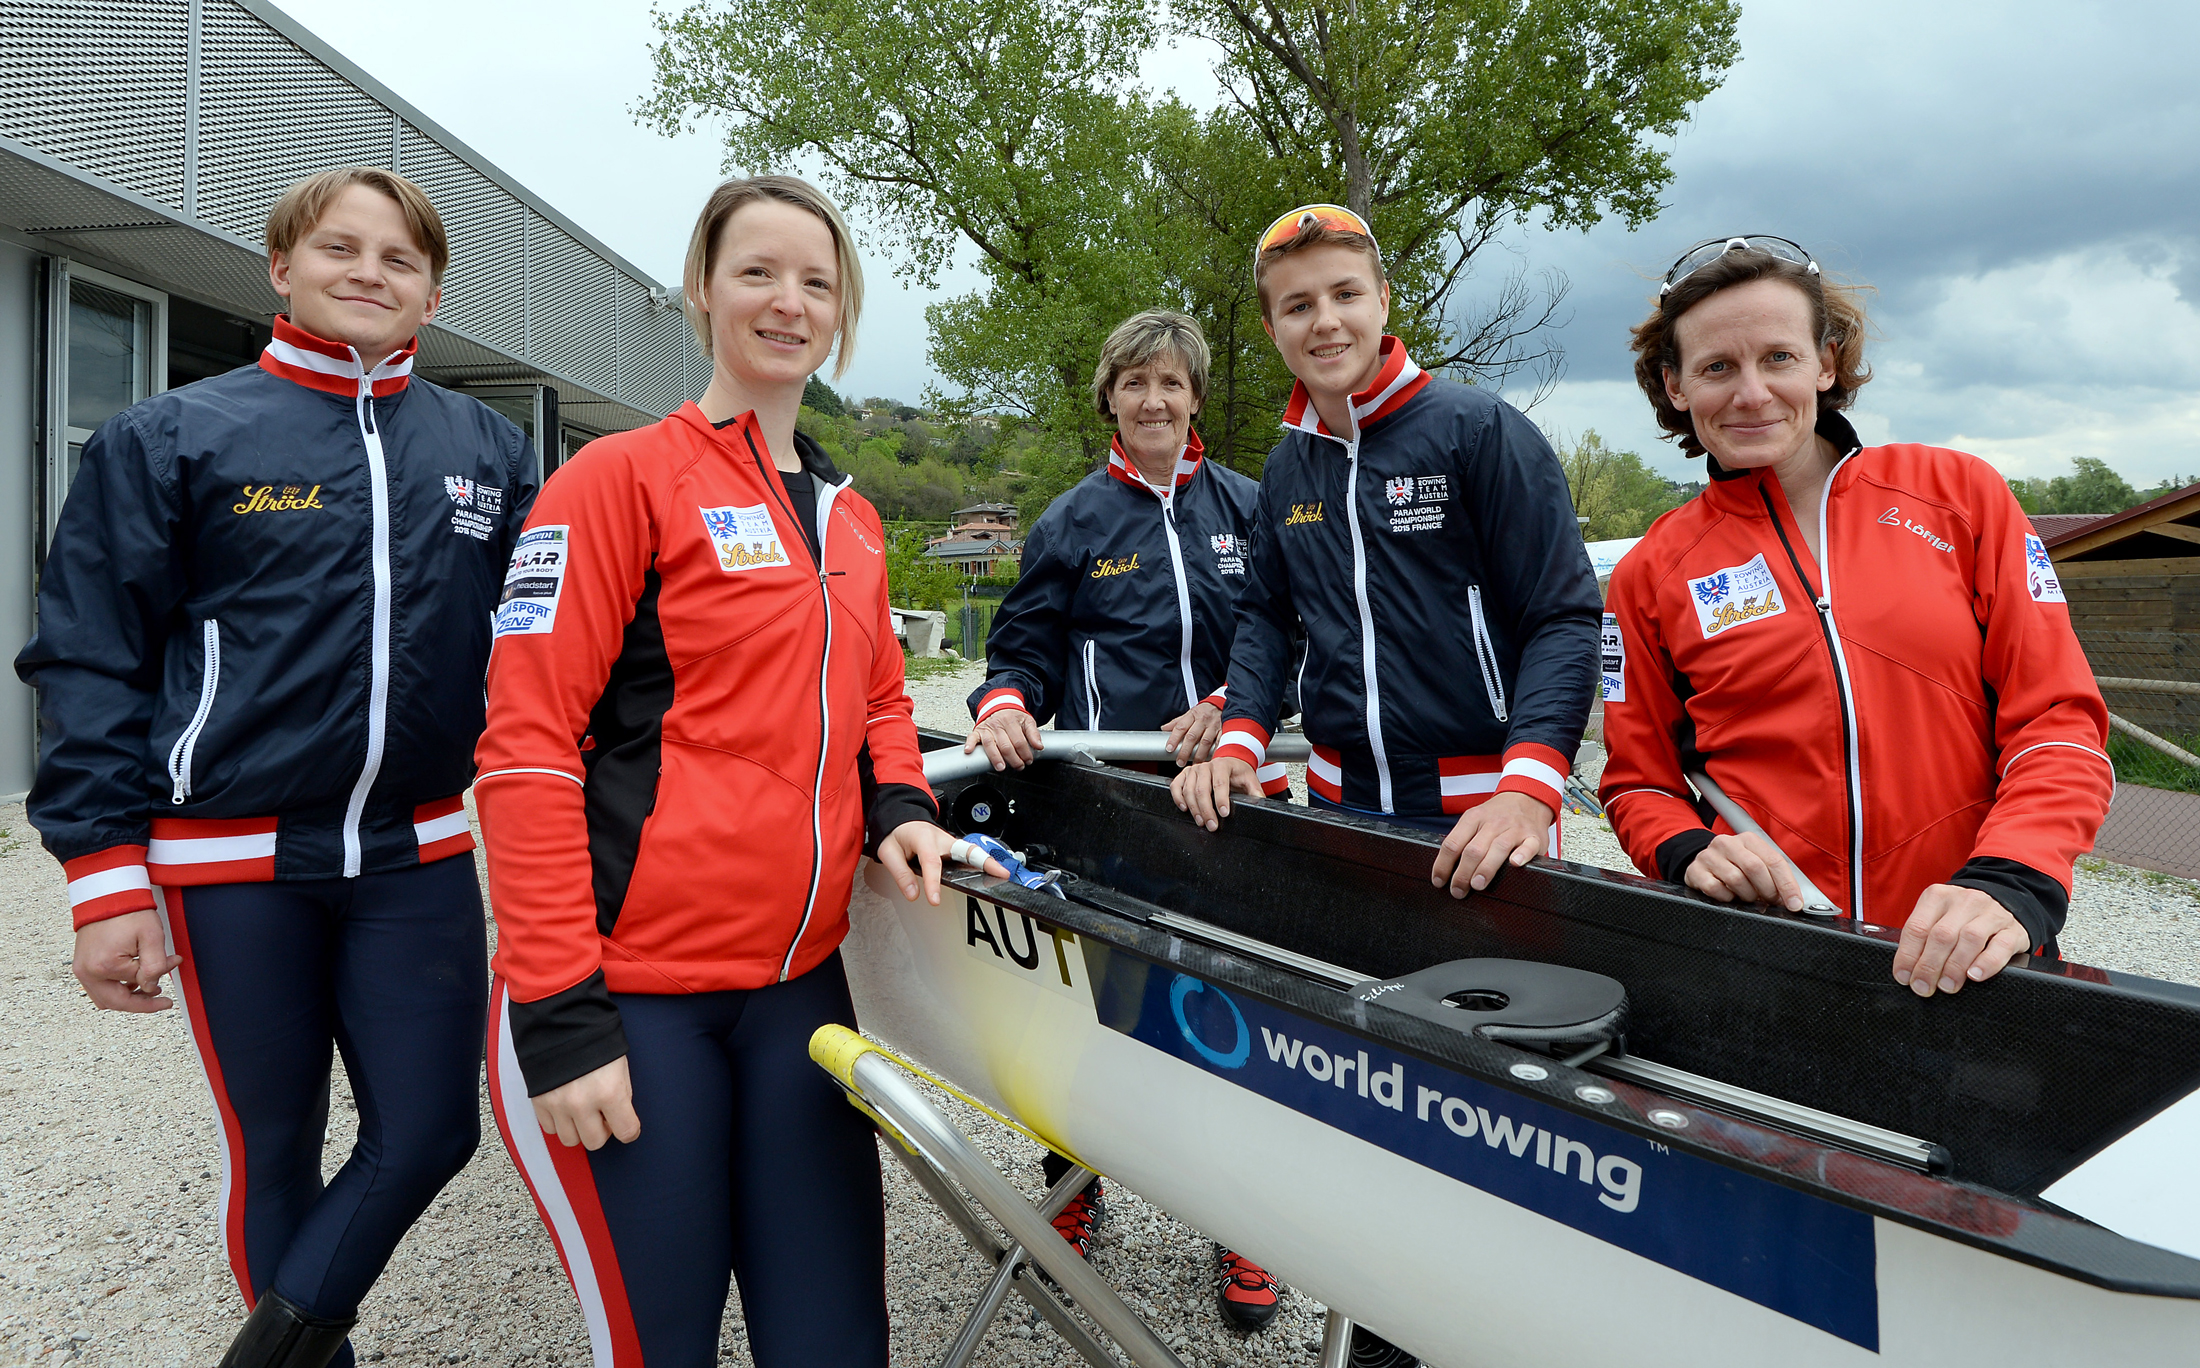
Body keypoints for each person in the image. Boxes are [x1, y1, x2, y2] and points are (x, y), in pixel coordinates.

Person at [473, 175, 1001, 1368]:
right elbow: (523, 747)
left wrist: (903, 806)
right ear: (702, 290)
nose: (786, 302)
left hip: (796, 999)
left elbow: (873, 700)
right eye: (757, 272)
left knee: (833, 1345)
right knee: (662, 1346)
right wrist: (560, 1016)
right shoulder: (613, 481)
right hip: (632, 998)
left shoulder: (855, 523)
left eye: (816, 282)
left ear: (844, 314)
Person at [16, 167, 539, 1368]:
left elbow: (565, 635)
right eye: (339, 249)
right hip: (227, 868)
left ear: (432, 290)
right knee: (277, 1144)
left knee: (427, 1133)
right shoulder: (171, 438)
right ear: (280, 268)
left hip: (416, 857)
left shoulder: (488, 450)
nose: (367, 273)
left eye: (398, 258)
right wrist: (105, 884)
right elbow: (89, 661)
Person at [1169, 203, 1602, 1368]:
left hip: (1481, 819)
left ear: (1383, 301)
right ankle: (1379, 1327)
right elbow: (1268, 615)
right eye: (1298, 305)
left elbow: (1564, 613)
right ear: (1270, 328)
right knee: (1363, 1079)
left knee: (1490, 1106)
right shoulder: (1290, 469)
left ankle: (1497, 1322)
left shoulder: (1477, 433)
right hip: (1342, 813)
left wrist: (1530, 786)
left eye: (1343, 295)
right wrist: (1242, 733)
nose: (1326, 321)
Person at [1595, 236, 2113, 992]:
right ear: (1675, 386)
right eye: (1717, 367)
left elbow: (2058, 723)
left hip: (1972, 949)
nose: (1751, 393)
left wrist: (2010, 881)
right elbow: (1637, 783)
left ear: (1826, 364)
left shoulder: (1958, 494)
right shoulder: (1652, 571)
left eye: (1779, 358)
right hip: (1765, 955)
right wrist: (1687, 850)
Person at [961, 309, 1286, 1330]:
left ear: (1195, 398)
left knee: (1244, 1017)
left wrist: (1240, 713)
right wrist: (1005, 704)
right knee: (1086, 1012)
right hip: (1109, 807)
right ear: (1110, 396)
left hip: (1238, 799)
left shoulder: (1250, 506)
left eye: (1172, 383)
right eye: (1136, 382)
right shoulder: (1073, 522)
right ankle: (1072, 1185)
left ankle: (1248, 1222)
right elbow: (1019, 655)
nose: (1154, 399)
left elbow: (1296, 646)